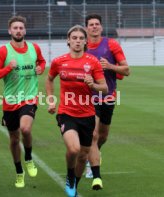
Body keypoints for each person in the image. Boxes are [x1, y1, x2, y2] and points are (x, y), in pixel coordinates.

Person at [45, 25, 108, 197]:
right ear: (68, 40)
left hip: (87, 115)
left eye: (81, 38)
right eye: (74, 38)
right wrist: (50, 99)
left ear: (85, 41)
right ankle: (70, 177)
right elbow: (49, 79)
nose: (78, 41)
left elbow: (105, 88)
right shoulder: (59, 61)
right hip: (66, 112)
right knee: (73, 149)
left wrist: (93, 85)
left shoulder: (92, 62)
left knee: (82, 156)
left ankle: (74, 183)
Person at [0, 15, 46, 188]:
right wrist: (8, 68)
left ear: (25, 30)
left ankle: (29, 157)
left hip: (29, 97)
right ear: (10, 31)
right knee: (14, 139)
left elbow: (42, 61)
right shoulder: (3, 51)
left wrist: (41, 67)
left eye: (21, 28)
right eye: (15, 28)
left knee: (25, 128)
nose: (18, 30)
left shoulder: (34, 48)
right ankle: (19, 171)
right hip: (10, 100)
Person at [84, 14, 130, 190]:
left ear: (101, 27)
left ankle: (96, 153)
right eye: (91, 24)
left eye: (97, 24)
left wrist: (109, 66)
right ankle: (94, 171)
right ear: (87, 28)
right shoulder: (83, 46)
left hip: (108, 97)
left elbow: (126, 70)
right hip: (89, 97)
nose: (94, 27)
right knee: (93, 135)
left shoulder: (111, 44)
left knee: (102, 136)